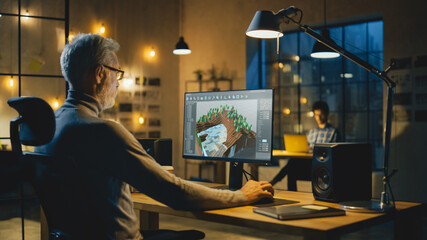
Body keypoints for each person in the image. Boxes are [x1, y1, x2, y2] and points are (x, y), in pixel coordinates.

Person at [35, 33, 274, 239]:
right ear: (100, 73)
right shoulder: (105, 132)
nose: (118, 83)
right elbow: (176, 193)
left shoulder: (47, 128)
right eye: (117, 73)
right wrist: (241, 195)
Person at [270, 100, 339, 190]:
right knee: (292, 166)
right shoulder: (311, 132)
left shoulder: (333, 132)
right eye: (316, 115)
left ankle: (273, 182)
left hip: (321, 166)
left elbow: (333, 153)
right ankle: (290, 194)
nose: (318, 117)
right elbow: (305, 147)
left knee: (291, 164)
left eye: (321, 114)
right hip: (308, 164)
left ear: (326, 114)